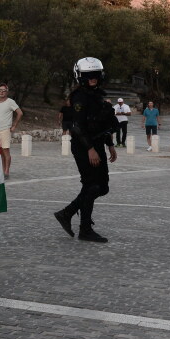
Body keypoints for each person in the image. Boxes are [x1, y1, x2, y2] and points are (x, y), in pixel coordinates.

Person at [53, 57, 117, 243]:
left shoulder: (97, 95)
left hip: (97, 143)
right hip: (83, 146)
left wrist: (110, 144)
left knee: (102, 186)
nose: (93, 78)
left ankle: (69, 214)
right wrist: (90, 149)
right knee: (92, 185)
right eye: (88, 75)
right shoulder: (79, 97)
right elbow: (77, 126)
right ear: (80, 76)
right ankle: (84, 227)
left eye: (95, 74)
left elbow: (101, 123)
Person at [0, 83, 22, 178]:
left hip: (5, 130)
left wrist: (14, 125)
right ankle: (2, 171)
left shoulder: (10, 102)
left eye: (3, 90)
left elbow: (20, 113)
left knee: (6, 151)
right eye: (0, 90)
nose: (1, 92)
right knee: (0, 152)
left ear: (7, 92)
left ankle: (6, 172)